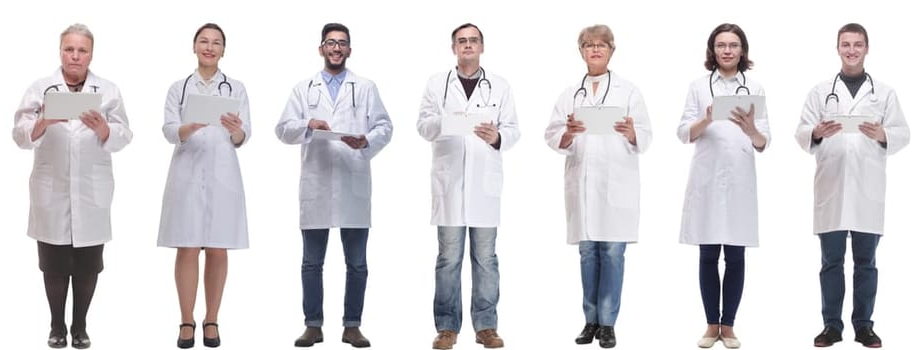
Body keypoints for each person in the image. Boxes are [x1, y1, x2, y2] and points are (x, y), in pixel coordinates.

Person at [12, 23, 133, 350]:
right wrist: (43, 122)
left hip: (91, 190)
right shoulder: (41, 88)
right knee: (53, 262)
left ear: (91, 54)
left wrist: (106, 130)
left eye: (82, 50)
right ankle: (56, 325)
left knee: (87, 264)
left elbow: (125, 135)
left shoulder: (107, 90)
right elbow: (19, 135)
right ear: (60, 51)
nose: (75, 56)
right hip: (51, 190)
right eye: (69, 49)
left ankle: (79, 326)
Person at [275, 22, 394, 349]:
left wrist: (366, 141)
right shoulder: (304, 88)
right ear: (321, 49)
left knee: (357, 263)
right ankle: (313, 326)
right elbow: (283, 129)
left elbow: (385, 126)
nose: (336, 48)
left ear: (349, 50)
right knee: (312, 263)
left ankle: (352, 326)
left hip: (353, 181)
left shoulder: (365, 87)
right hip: (317, 185)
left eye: (342, 43)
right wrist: (308, 125)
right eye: (331, 43)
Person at [798, 23, 910, 349]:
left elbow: (902, 132)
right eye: (845, 44)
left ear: (866, 48)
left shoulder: (884, 92)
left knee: (866, 263)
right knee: (831, 262)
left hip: (867, 189)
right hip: (831, 187)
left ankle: (863, 326)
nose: (851, 50)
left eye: (857, 44)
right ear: (837, 48)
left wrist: (883, 134)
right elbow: (802, 131)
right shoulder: (820, 92)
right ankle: (831, 326)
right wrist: (817, 131)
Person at [543, 24, 653, 350]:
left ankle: (608, 324)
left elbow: (645, 135)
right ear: (581, 51)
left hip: (616, 183)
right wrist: (568, 133)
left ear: (611, 50)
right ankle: (590, 320)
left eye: (601, 45)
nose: (594, 50)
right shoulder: (569, 93)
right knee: (588, 254)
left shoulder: (628, 91)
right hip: (582, 185)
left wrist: (632, 132)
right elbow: (551, 134)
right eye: (588, 45)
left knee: (613, 254)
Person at [418, 23, 520, 350]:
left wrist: (498, 137)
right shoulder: (437, 85)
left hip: (484, 187)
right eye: (461, 41)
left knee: (486, 258)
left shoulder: (500, 86)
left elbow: (513, 129)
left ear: (482, 46)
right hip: (449, 186)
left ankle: (486, 326)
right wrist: (448, 122)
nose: (467, 45)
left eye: (473, 40)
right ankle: (447, 328)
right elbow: (422, 125)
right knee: (448, 259)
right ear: (453, 48)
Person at [157, 23, 251, 349]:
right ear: (194, 46)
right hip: (186, 172)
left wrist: (236, 129)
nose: (209, 47)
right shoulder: (178, 88)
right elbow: (169, 129)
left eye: (216, 43)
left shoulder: (235, 88)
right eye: (203, 41)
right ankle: (186, 320)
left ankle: (211, 319)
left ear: (224, 50)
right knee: (186, 245)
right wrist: (187, 127)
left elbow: (243, 135)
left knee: (217, 246)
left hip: (222, 174)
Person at [676, 23, 768, 350]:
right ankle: (710, 324)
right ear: (712, 50)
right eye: (721, 45)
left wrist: (751, 127)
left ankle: (728, 326)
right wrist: (708, 119)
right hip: (707, 177)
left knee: (736, 254)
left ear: (742, 50)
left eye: (733, 45)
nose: (727, 50)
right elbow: (684, 131)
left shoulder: (754, 87)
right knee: (708, 252)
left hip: (741, 178)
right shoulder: (699, 86)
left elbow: (762, 141)